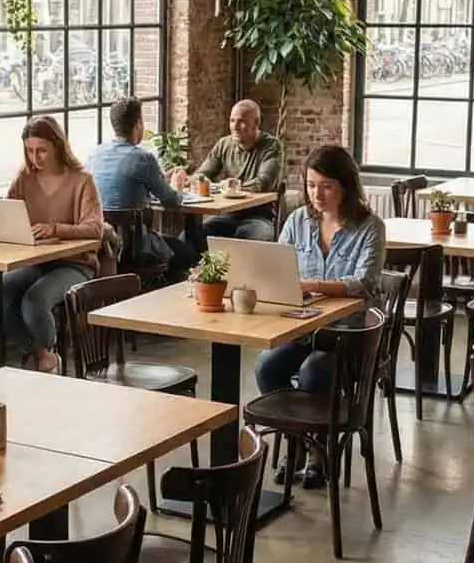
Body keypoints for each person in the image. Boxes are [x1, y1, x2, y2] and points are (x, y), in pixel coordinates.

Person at [253, 145, 387, 489]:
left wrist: (311, 284)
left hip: (350, 334)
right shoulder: (298, 220)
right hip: (303, 327)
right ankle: (296, 441)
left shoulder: (370, 226)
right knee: (267, 365)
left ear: (346, 186)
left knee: (315, 368)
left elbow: (365, 283)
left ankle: (319, 452)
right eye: (311, 185)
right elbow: (276, 267)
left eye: (326, 186)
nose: (317, 194)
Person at [5, 116, 105, 372]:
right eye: (29, 151)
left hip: (76, 264)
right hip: (36, 261)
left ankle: (47, 356)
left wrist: (55, 229)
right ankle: (41, 353)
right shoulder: (23, 180)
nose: (35, 158)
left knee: (33, 301)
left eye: (42, 151)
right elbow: (7, 212)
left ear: (58, 146)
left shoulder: (82, 181)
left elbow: (95, 229)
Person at [87, 97, 198, 284]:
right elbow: (171, 200)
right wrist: (176, 185)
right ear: (138, 124)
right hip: (135, 247)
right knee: (189, 253)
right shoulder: (142, 158)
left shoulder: (93, 155)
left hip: (101, 247)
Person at [174, 99, 283, 242]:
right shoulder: (224, 144)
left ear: (256, 123)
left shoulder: (271, 146)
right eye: (232, 121)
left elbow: (263, 183)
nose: (235, 127)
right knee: (187, 239)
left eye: (242, 121)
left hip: (258, 217)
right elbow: (202, 174)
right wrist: (188, 179)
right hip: (226, 215)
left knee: (243, 243)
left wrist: (228, 187)